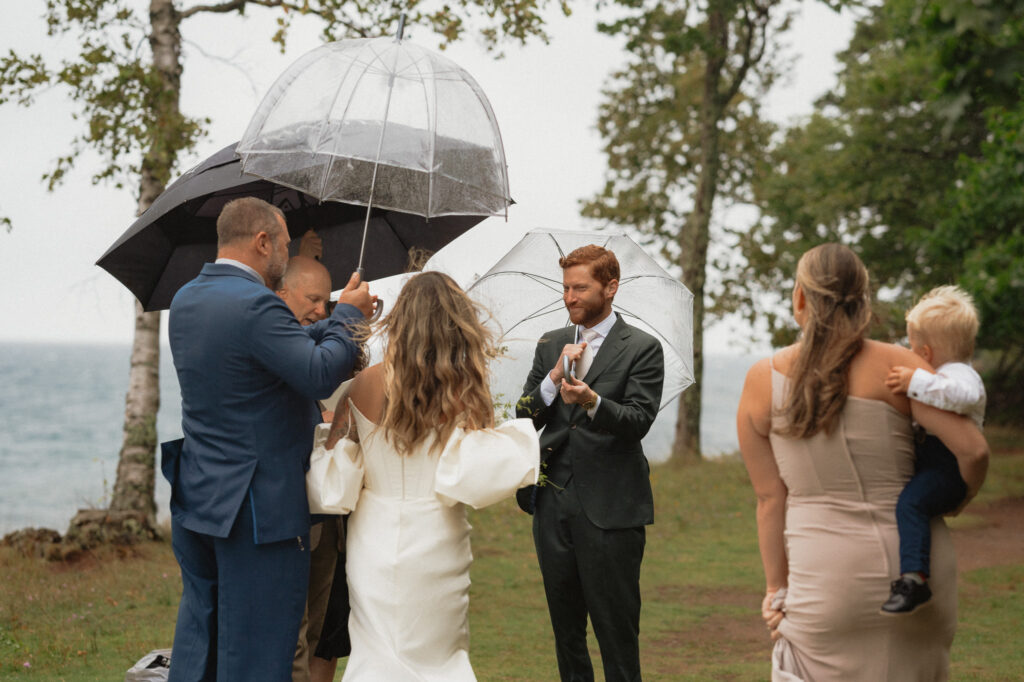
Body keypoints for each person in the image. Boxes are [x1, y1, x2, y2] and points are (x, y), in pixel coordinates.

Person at [736, 243, 989, 681]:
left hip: (827, 577)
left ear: (800, 298)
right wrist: (956, 499)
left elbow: (769, 498)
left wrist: (777, 589)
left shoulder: (762, 380)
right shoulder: (899, 366)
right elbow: (974, 450)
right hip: (920, 572)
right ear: (865, 300)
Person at [164, 196, 375, 682]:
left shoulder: (188, 298)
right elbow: (319, 374)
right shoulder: (256, 302)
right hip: (258, 511)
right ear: (262, 242)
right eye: (283, 242)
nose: (287, 252)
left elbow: (265, 350)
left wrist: (327, 322)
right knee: (262, 652)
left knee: (205, 640)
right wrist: (346, 315)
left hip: (201, 497)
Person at [318, 270, 539, 681]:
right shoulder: (464, 389)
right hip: (439, 532)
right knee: (440, 658)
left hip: (374, 535)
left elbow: (337, 458)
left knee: (375, 652)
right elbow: (476, 461)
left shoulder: (363, 383)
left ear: (401, 319)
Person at [515, 244, 664, 682]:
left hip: (611, 509)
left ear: (611, 287)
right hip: (552, 504)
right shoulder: (551, 345)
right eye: (565, 288)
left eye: (580, 287)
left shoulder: (641, 348)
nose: (570, 297)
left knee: (616, 634)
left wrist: (593, 400)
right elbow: (524, 415)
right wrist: (553, 379)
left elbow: (638, 420)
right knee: (566, 634)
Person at [881, 285, 986, 614]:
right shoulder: (943, 372)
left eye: (910, 346)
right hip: (931, 461)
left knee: (911, 505)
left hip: (948, 467)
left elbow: (963, 397)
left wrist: (915, 382)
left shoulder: (961, 375)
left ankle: (914, 580)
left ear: (925, 352)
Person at [272, 255, 351, 682]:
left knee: (320, 631)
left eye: (328, 301)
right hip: (284, 513)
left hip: (325, 510)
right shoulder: (270, 340)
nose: (322, 310)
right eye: (315, 299)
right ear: (281, 293)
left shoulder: (311, 342)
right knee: (293, 634)